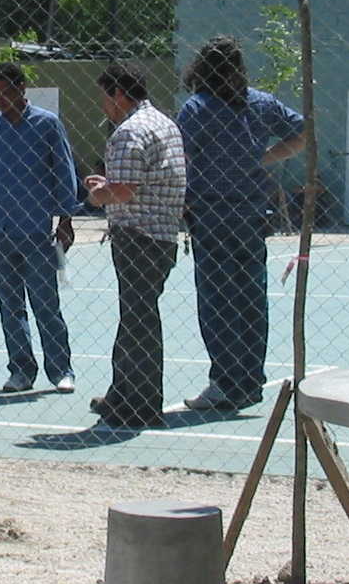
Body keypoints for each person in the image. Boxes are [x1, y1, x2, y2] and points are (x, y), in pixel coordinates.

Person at [176, 36, 305, 414]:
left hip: (212, 212)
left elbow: (181, 154)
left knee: (217, 300)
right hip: (252, 212)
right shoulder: (261, 102)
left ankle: (225, 381)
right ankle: (250, 380)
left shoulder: (198, 107)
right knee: (251, 298)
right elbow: (301, 133)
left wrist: (183, 196)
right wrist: (264, 158)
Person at [83, 61, 187, 429]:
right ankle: (122, 394)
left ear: (119, 94)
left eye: (104, 97)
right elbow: (141, 179)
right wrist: (108, 184)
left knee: (139, 319)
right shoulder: (164, 124)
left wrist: (98, 195)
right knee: (135, 315)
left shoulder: (129, 132)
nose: (103, 106)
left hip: (137, 236)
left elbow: (124, 191)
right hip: (161, 235)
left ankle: (141, 404)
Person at [0, 62, 81, 394]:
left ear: (22, 89)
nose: (1, 100)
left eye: (6, 92)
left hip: (36, 229)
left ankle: (61, 370)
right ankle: (20, 371)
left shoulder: (47, 125)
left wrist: (66, 218)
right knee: (10, 304)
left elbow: (64, 170)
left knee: (46, 302)